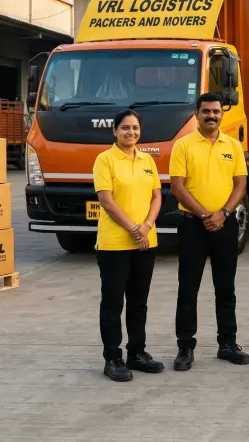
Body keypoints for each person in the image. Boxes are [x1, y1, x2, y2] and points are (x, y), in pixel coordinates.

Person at [170, 93, 249, 371]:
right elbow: (177, 187)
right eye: (206, 111)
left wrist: (224, 213)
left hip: (225, 225)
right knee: (188, 288)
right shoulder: (183, 146)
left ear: (222, 115)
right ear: (196, 114)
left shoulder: (234, 146)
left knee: (225, 288)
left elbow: (240, 184)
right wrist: (206, 214)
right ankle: (185, 347)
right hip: (193, 225)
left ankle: (227, 343)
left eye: (216, 111)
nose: (211, 116)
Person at [92, 109, 164, 382]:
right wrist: (134, 228)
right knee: (113, 303)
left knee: (138, 302)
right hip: (114, 244)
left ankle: (137, 352)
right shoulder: (105, 160)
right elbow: (107, 200)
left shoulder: (148, 160)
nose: (130, 132)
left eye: (135, 128)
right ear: (115, 131)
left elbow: (157, 196)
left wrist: (146, 226)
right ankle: (113, 358)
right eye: (125, 128)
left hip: (146, 242)